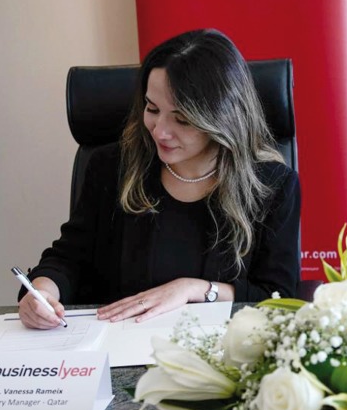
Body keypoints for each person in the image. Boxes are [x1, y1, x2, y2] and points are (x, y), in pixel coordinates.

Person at [19, 29, 301, 329]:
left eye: (182, 119)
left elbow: (277, 296)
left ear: (221, 118)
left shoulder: (272, 185)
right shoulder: (112, 167)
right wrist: (43, 291)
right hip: (118, 343)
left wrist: (195, 289)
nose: (159, 131)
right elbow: (68, 257)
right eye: (152, 109)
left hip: (216, 353)